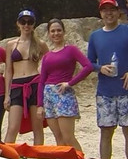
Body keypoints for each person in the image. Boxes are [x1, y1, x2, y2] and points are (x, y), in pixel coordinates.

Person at [87, 0, 128, 159]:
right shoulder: (95, 36)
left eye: (112, 9)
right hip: (105, 92)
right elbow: (89, 63)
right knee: (106, 132)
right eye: (105, 10)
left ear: (118, 11)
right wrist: (100, 68)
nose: (109, 13)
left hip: (127, 90)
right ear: (100, 13)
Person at [36, 19, 93, 151]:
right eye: (53, 31)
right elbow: (42, 80)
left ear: (64, 32)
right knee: (59, 138)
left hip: (63, 94)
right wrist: (40, 105)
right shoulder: (47, 56)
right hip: (48, 95)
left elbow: (88, 67)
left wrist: (70, 83)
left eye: (59, 30)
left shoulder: (71, 50)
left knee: (68, 137)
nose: (56, 34)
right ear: (49, 34)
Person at [2, 10, 49, 144]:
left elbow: (50, 61)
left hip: (35, 82)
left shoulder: (40, 44)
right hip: (17, 85)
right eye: (23, 22)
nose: (26, 25)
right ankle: (6, 156)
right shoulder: (11, 44)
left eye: (30, 22)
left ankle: (37, 156)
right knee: (12, 127)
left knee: (37, 127)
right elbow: (8, 70)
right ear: (18, 24)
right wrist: (7, 94)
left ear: (34, 24)